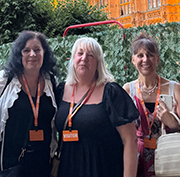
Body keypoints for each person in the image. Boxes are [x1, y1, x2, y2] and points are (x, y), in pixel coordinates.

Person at [55, 37, 138, 177]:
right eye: (80, 53)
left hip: (103, 169)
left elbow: (130, 139)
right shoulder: (60, 90)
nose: (84, 58)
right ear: (72, 59)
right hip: (68, 169)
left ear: (98, 62)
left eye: (90, 55)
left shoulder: (111, 92)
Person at [0, 31, 58, 177]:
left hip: (41, 163)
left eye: (37, 50)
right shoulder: (7, 78)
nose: (32, 54)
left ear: (44, 53)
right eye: (26, 50)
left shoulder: (51, 81)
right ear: (20, 54)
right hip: (7, 164)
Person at [123, 33, 180, 177]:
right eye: (140, 55)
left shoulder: (175, 89)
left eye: (150, 55)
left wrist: (174, 124)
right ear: (133, 60)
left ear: (157, 59)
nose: (145, 60)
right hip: (137, 160)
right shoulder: (128, 90)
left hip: (170, 157)